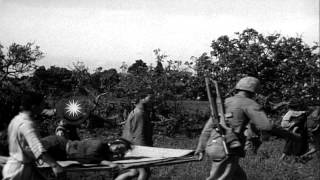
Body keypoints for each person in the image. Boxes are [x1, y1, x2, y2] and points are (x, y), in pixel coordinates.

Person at [194, 76, 300, 180]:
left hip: (214, 146)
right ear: (254, 91)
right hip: (227, 147)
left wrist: (200, 148)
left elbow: (207, 128)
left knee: (239, 177)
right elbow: (266, 126)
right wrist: (291, 136)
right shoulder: (249, 103)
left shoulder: (224, 102)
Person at [2, 91, 64, 180]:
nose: (43, 107)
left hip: (18, 167)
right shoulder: (26, 124)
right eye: (42, 105)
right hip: (19, 172)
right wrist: (55, 165)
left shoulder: (16, 120)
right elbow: (38, 148)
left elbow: (26, 147)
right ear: (34, 107)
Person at [116, 93, 154, 180]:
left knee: (134, 172)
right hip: (137, 146)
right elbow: (138, 133)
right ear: (141, 99)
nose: (151, 101)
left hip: (130, 145)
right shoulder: (139, 114)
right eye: (150, 98)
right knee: (145, 172)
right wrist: (145, 149)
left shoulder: (137, 112)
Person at [37, 135, 132, 166]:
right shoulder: (99, 144)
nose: (118, 151)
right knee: (33, 150)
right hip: (57, 145)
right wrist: (107, 162)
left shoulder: (105, 151)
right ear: (114, 142)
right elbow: (88, 157)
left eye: (120, 152)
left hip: (61, 153)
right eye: (119, 148)